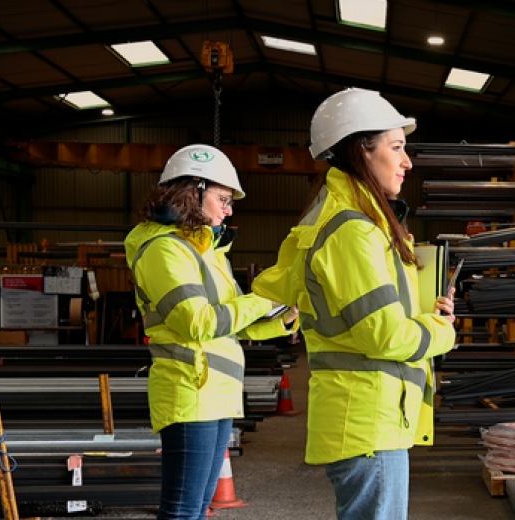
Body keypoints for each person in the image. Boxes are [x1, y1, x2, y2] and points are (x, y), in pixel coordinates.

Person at [250, 88, 458, 520]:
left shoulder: (352, 222)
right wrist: (442, 330)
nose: (407, 161)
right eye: (397, 147)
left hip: (366, 420)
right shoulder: (354, 231)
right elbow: (385, 334)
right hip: (368, 422)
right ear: (361, 150)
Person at [126, 144, 296, 520]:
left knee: (198, 507)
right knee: (183, 510)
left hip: (214, 393)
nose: (229, 209)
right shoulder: (162, 250)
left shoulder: (206, 252)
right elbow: (197, 322)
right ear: (192, 192)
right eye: (223, 198)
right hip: (189, 392)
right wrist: (261, 301)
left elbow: (231, 322)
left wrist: (282, 319)